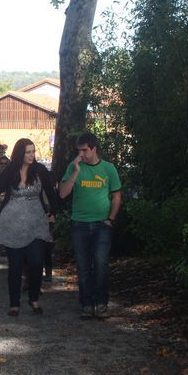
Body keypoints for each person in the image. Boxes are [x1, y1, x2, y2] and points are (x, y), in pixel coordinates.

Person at [0, 138, 58, 316]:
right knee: (15, 266)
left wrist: (53, 212)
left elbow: (51, 192)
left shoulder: (40, 170)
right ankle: (14, 304)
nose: (32, 155)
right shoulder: (10, 170)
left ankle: (34, 298)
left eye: (33, 152)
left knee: (36, 262)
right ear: (20, 153)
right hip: (12, 223)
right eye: (28, 152)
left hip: (36, 222)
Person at [59, 132, 122, 320]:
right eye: (79, 151)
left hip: (102, 225)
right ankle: (86, 304)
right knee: (83, 266)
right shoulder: (74, 167)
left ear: (94, 149)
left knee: (101, 265)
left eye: (85, 150)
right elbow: (62, 194)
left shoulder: (108, 168)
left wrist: (110, 219)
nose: (81, 154)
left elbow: (117, 196)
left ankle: (101, 304)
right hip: (79, 224)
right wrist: (76, 171)